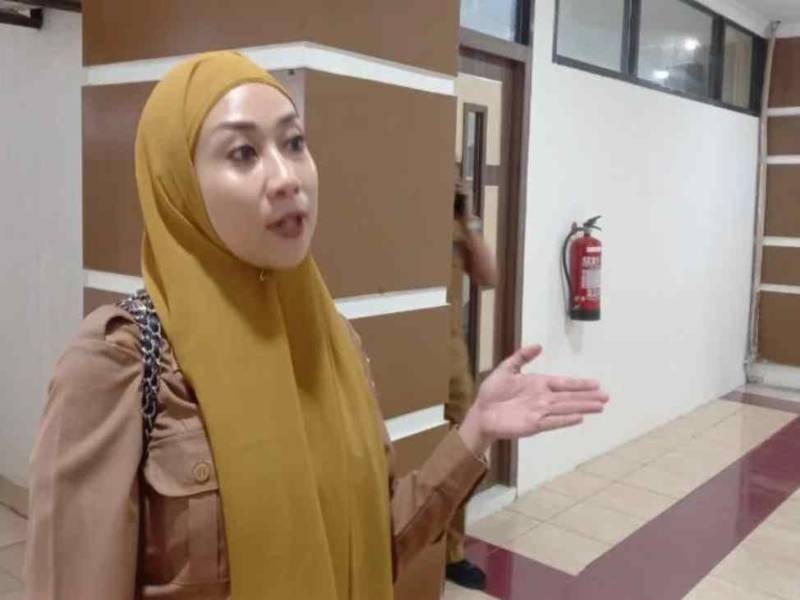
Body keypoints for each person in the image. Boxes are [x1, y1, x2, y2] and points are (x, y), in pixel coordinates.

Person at [24, 51, 608, 599]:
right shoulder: (118, 365)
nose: (286, 177)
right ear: (178, 185)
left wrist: (475, 430)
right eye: (243, 153)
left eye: (294, 143)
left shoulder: (332, 344)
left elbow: (376, 547)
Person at [444, 181, 498, 590]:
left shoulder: (458, 223)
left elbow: (488, 275)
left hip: (450, 362)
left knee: (464, 454)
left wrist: (468, 219)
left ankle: (452, 552)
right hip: (408, 350)